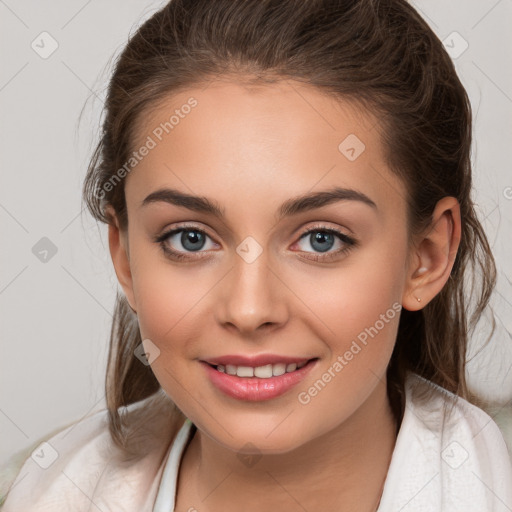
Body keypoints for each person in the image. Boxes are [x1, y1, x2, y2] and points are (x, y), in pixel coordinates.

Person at [2, 0, 511, 510]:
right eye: (190, 239)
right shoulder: (30, 492)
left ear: (426, 256)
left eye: (321, 239)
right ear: (127, 258)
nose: (249, 310)